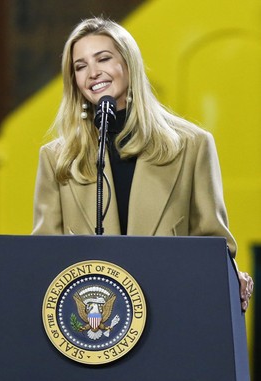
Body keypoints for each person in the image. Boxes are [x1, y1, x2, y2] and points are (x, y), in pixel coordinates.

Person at [32, 17, 253, 311]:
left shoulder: (192, 145)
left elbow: (214, 243)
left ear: (128, 63)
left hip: (171, 307)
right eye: (80, 66)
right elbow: (42, 255)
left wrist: (229, 275)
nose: (92, 73)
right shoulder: (57, 157)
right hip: (93, 322)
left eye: (103, 59)